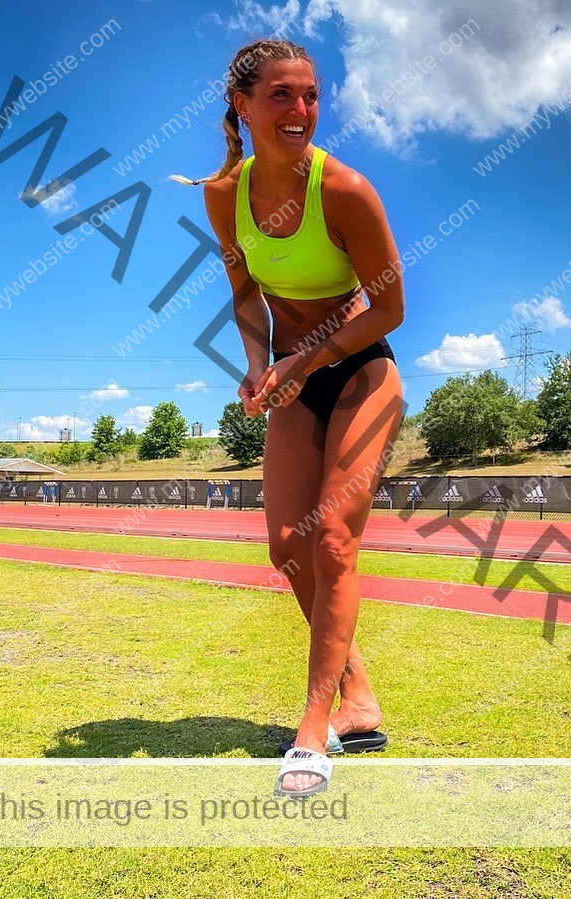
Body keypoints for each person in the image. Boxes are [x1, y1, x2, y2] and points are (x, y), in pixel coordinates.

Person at [187, 39, 404, 796]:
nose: (300, 110)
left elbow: (392, 307)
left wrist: (298, 361)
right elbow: (245, 292)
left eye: (310, 94)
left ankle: (314, 727)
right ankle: (361, 698)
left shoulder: (343, 189)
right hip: (288, 377)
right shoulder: (222, 195)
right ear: (242, 107)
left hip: (360, 369)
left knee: (335, 538)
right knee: (287, 546)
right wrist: (256, 364)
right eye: (281, 95)